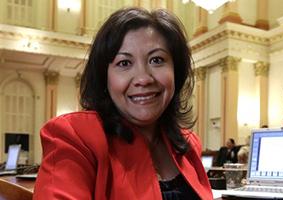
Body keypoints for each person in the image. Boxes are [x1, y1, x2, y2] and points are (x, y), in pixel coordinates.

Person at [33, 7, 213, 200]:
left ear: (176, 71)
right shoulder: (74, 136)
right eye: (124, 63)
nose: (143, 79)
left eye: (157, 60)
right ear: (105, 77)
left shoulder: (188, 143)